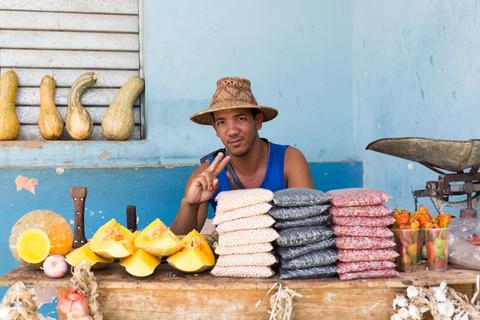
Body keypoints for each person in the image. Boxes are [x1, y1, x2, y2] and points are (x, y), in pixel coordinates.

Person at [171, 77, 314, 235]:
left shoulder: (289, 160)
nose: (232, 131)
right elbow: (178, 241)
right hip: (229, 258)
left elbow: (308, 224)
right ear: (215, 129)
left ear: (258, 121)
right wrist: (190, 204)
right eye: (221, 122)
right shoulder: (206, 174)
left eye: (241, 118)